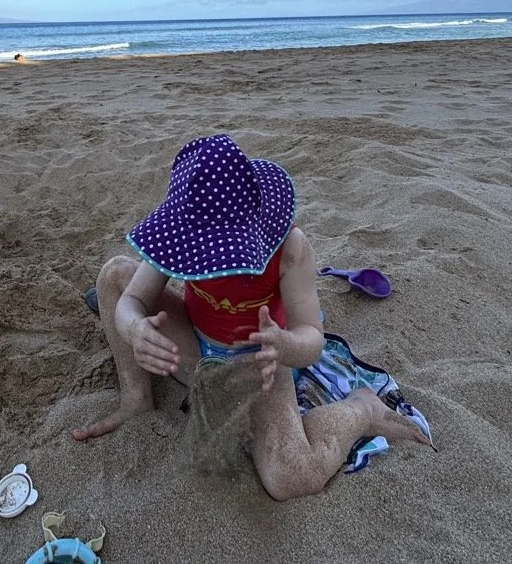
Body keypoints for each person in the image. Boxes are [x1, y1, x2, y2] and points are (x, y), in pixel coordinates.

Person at [72, 134, 431, 500]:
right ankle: (136, 399)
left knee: (292, 478)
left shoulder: (290, 249)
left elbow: (312, 337)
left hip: (262, 363)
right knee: (114, 274)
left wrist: (286, 344)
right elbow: (131, 297)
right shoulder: (182, 237)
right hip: (197, 347)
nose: (210, 265)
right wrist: (134, 328)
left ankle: (363, 410)